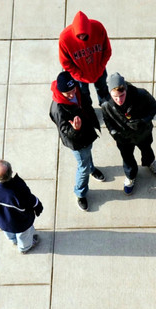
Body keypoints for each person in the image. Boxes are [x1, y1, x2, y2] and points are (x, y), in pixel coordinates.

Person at [99, 73, 156, 196]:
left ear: (126, 89)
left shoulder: (141, 95)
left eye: (122, 95)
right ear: (110, 94)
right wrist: (114, 133)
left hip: (143, 133)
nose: (119, 100)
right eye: (115, 97)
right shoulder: (106, 104)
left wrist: (144, 121)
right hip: (123, 138)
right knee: (127, 158)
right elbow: (107, 120)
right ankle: (130, 175)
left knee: (147, 150)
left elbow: (154, 106)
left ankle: (150, 163)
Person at [49, 71, 103, 211]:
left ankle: (92, 169)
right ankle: (80, 193)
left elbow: (86, 105)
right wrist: (75, 129)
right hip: (77, 141)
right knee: (82, 168)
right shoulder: (58, 108)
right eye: (68, 93)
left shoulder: (76, 89)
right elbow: (65, 131)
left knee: (87, 155)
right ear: (61, 92)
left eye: (73, 90)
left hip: (86, 134)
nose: (72, 94)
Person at [0, 159, 43, 254]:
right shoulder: (18, 190)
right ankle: (24, 248)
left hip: (1, 220)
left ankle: (13, 240)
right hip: (21, 224)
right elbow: (33, 202)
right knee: (24, 236)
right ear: (11, 172)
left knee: (8, 232)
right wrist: (38, 209)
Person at [58, 11, 112, 107]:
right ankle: (88, 110)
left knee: (102, 89)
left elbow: (107, 51)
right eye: (79, 35)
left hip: (99, 70)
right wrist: (79, 74)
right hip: (80, 77)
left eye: (84, 34)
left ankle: (106, 107)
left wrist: (101, 66)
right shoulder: (65, 38)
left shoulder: (98, 28)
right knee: (84, 95)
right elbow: (65, 62)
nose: (82, 37)